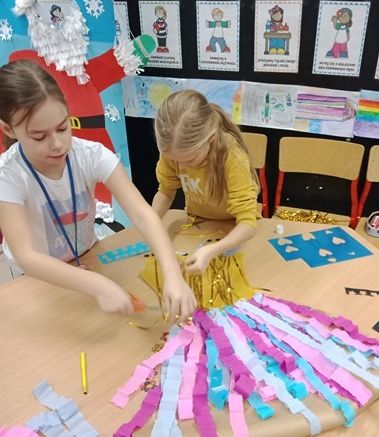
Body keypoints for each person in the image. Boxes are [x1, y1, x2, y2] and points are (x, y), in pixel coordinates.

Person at [0, 60, 196, 323]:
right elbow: (27, 256)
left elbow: (143, 214)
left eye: (63, 127)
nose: (57, 144)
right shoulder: (8, 175)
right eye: (39, 136)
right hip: (37, 277)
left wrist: (173, 274)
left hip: (87, 256)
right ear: (8, 129)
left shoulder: (90, 155)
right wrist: (97, 285)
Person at [152, 90, 260, 275]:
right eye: (175, 160)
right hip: (198, 224)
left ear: (211, 139)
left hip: (234, 230)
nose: (181, 167)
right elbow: (165, 192)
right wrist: (151, 224)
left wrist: (212, 251)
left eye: (190, 159)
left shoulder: (233, 157)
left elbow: (248, 225)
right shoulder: (175, 151)